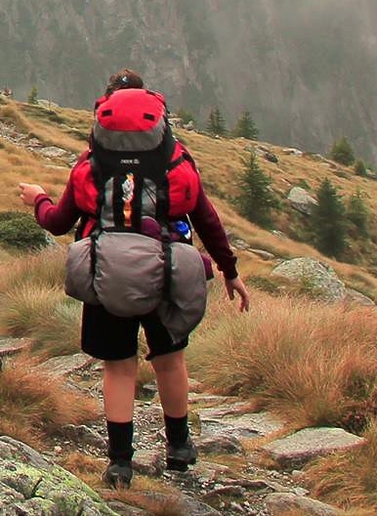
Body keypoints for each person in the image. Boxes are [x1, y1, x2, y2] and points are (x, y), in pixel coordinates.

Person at [17, 70, 251, 490]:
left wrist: (37, 198)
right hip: (168, 272)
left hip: (107, 274)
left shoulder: (89, 165)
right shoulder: (176, 158)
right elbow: (206, 217)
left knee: (120, 368)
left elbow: (57, 222)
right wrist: (229, 271)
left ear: (103, 110)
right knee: (170, 361)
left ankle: (120, 464)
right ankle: (179, 448)